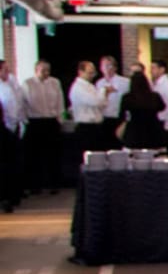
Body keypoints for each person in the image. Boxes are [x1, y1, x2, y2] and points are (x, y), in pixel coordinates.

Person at [22, 60, 63, 193]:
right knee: (35, 156)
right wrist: (25, 121)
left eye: (48, 70)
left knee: (54, 155)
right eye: (43, 70)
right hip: (35, 122)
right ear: (36, 70)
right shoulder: (28, 83)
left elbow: (60, 102)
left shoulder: (55, 82)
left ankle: (54, 184)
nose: (46, 73)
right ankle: (35, 185)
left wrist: (59, 118)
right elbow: (23, 104)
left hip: (51, 121)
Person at [68, 61, 110, 160]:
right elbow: (95, 101)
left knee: (99, 159)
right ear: (80, 72)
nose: (92, 76)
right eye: (89, 73)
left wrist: (103, 96)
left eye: (93, 73)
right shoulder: (78, 87)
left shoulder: (91, 86)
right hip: (85, 128)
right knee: (88, 160)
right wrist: (104, 91)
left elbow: (103, 104)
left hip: (96, 126)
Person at [118, 71, 168, 151]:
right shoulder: (154, 96)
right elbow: (162, 107)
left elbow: (121, 115)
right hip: (153, 130)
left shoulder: (127, 97)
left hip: (134, 131)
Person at [0, 63, 24, 212]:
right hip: (4, 129)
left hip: (12, 128)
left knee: (12, 164)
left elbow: (17, 105)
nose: (8, 72)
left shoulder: (11, 84)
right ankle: (6, 198)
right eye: (5, 70)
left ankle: (13, 196)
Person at [96, 57, 128, 140]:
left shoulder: (124, 81)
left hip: (118, 117)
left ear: (115, 67)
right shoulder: (99, 83)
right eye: (104, 66)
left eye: (109, 65)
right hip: (104, 117)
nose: (107, 68)